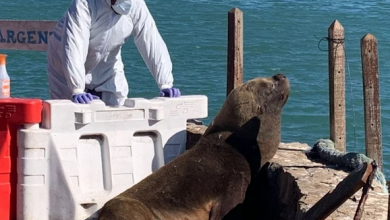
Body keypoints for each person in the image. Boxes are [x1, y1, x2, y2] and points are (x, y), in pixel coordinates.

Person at [46, 0, 181, 106]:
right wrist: (77, 89)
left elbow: (152, 42)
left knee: (118, 108)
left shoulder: (137, 5)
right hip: (64, 65)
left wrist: (165, 83)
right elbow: (74, 46)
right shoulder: (84, 4)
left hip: (107, 62)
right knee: (68, 113)